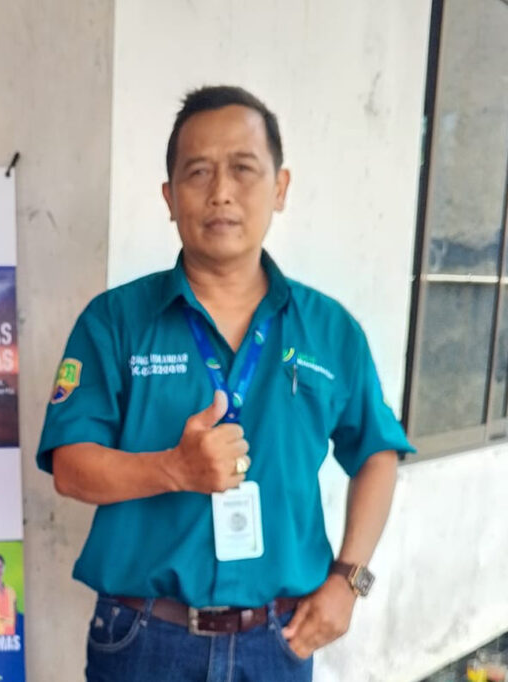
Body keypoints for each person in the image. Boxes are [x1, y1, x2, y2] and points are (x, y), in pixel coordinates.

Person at [36, 85, 413, 681]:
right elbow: (70, 468)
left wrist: (349, 579)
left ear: (280, 188)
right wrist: (172, 469)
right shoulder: (114, 322)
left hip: (278, 641)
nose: (221, 193)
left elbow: (378, 454)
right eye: (198, 172)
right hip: (143, 639)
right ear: (169, 197)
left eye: (243, 169)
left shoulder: (330, 330)